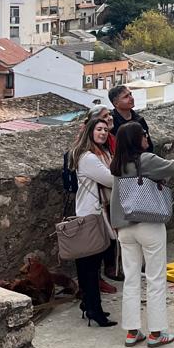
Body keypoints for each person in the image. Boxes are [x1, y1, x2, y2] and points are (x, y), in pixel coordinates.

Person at [110, 116, 174, 347]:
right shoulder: (146, 160)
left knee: (131, 279)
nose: (147, 137)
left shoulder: (118, 164)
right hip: (148, 223)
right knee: (156, 278)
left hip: (125, 227)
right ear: (136, 139)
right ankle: (156, 333)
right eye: (143, 134)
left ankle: (132, 331)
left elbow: (116, 198)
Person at [66, 108, 117, 328]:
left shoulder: (99, 154)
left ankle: (89, 304)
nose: (103, 133)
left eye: (105, 130)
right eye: (99, 129)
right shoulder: (88, 158)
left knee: (89, 265)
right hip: (92, 215)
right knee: (90, 266)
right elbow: (111, 179)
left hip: (95, 213)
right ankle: (94, 309)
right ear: (90, 131)